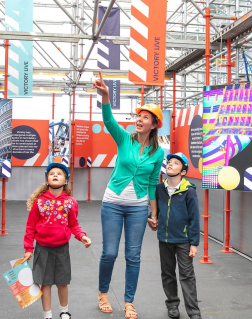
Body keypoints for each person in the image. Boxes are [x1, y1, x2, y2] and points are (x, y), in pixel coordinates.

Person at [92, 71, 165, 319]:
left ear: (154, 124)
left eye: (145, 118)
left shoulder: (158, 153)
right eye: (139, 116)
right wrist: (105, 97)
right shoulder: (125, 139)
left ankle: (129, 301)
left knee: (133, 255)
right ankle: (103, 293)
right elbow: (109, 121)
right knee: (110, 252)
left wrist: (153, 213)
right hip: (112, 203)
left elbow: (154, 184)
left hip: (138, 207)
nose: (140, 119)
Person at [23, 163, 92, 319]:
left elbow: (73, 224)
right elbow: (30, 227)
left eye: (59, 173)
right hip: (42, 249)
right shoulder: (39, 202)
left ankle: (64, 311)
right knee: (45, 284)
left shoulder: (70, 203)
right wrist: (28, 249)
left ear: (66, 180)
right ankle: (47, 314)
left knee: (62, 282)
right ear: (47, 180)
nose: (55, 175)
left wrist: (82, 236)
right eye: (51, 173)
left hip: (62, 249)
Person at [151, 152, 202, 319]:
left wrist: (194, 243)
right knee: (167, 273)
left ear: (183, 171)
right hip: (164, 239)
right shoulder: (159, 188)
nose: (170, 164)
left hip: (184, 240)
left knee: (187, 275)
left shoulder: (189, 191)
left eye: (176, 163)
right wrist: (151, 219)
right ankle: (172, 305)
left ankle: (193, 312)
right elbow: (153, 209)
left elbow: (194, 218)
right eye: (169, 162)